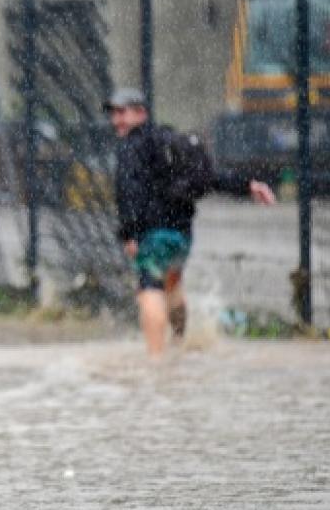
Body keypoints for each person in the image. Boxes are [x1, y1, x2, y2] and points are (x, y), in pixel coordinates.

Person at [107, 88, 276, 358]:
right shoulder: (172, 140)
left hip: (152, 233)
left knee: (150, 289)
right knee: (173, 287)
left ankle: (156, 361)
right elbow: (208, 177)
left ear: (141, 113)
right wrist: (248, 186)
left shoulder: (131, 146)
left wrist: (129, 234)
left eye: (122, 113)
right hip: (182, 234)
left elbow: (127, 191)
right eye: (114, 114)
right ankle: (178, 345)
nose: (116, 120)